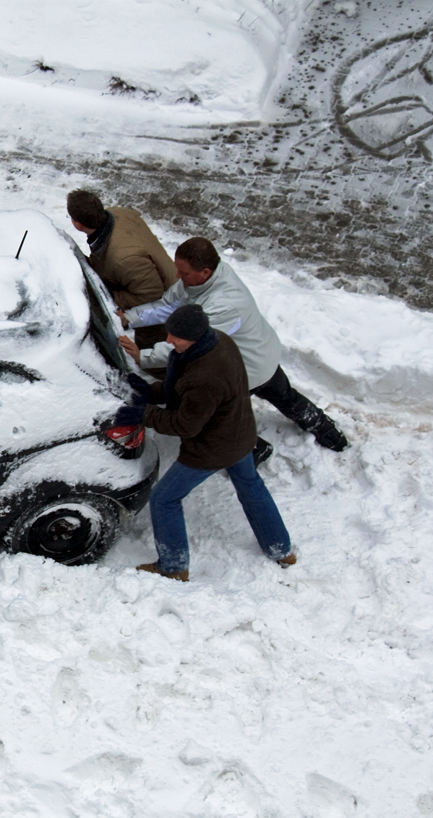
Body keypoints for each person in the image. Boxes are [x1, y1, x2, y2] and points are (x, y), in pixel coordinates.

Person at [117, 236, 347, 456]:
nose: (178, 276)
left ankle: (257, 449)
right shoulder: (200, 281)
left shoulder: (226, 303)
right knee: (285, 396)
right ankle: (322, 429)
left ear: (205, 272)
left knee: (217, 418)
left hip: (248, 367)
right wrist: (130, 318)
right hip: (255, 352)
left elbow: (188, 344)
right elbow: (167, 306)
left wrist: (143, 356)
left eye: (184, 272)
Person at [115, 304, 295, 582]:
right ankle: (280, 549)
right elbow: (183, 385)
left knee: (164, 499)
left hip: (213, 446)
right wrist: (152, 392)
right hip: (239, 432)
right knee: (251, 486)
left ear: (196, 337)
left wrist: (145, 414)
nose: (169, 341)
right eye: (170, 333)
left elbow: (184, 423)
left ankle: (174, 567)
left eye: (177, 337)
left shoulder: (207, 376)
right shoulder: (219, 341)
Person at [66, 189, 175, 351]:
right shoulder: (117, 214)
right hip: (148, 278)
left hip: (166, 305)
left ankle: (161, 373)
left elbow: (151, 294)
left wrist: (108, 297)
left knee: (152, 348)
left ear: (77, 224)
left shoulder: (123, 258)